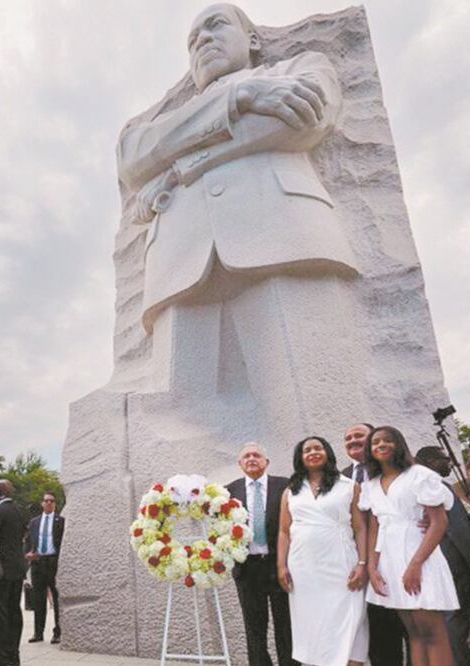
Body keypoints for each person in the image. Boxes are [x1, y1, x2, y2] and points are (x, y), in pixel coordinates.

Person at [119, 3, 366, 445]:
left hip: (284, 237)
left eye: (215, 26)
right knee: (180, 428)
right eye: (192, 40)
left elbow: (302, 122)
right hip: (179, 261)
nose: (202, 41)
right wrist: (241, 98)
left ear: (252, 39)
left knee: (312, 402)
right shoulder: (162, 122)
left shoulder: (298, 67)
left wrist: (178, 167)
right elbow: (134, 156)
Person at [361, 426, 456, 666]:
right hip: (389, 560)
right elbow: (375, 528)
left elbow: (439, 522)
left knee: (431, 630)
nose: (381, 445)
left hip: (419, 556)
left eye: (387, 440)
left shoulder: (419, 475)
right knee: (413, 632)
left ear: (399, 444)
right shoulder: (371, 485)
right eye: (375, 442)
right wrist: (372, 568)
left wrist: (415, 565)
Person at [277, 436, 368, 665]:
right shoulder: (291, 491)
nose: (313, 453)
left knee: (350, 618)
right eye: (307, 450)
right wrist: (281, 566)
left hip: (341, 563)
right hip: (304, 568)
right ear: (300, 458)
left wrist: (362, 563)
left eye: (318, 448)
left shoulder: (348, 486)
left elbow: (360, 528)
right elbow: (284, 532)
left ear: (327, 453)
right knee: (312, 624)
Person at [414, 446, 470, 666]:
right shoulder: (437, 485)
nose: (450, 463)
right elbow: (457, 529)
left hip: (424, 566)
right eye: (445, 459)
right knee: (454, 622)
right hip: (450, 563)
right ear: (431, 462)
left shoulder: (409, 485)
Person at [224, 443, 296, 666]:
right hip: (248, 569)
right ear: (240, 463)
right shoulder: (229, 491)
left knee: (286, 624)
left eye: (257, 455)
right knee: (254, 627)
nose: (252, 458)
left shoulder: (285, 486)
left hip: (280, 565)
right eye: (246, 456)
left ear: (267, 462)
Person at [341, 423, 405, 665]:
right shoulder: (340, 479)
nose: (352, 440)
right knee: (378, 634)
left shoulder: (395, 471)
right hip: (360, 563)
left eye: (359, 435)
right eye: (348, 438)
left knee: (410, 629)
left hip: (396, 558)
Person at [0, 480, 27, 666]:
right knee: (14, 611)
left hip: (1, 570)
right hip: (17, 568)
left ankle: (0, 657)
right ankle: (13, 654)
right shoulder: (20, 511)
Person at [25, 493, 64, 644]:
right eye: (46, 500)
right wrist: (27, 553)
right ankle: (38, 632)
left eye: (51, 501)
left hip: (53, 561)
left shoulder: (61, 521)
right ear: (42, 503)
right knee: (38, 599)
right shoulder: (34, 522)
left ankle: (57, 632)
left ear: (55, 504)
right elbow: (28, 540)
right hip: (38, 561)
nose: (48, 503)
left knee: (56, 598)